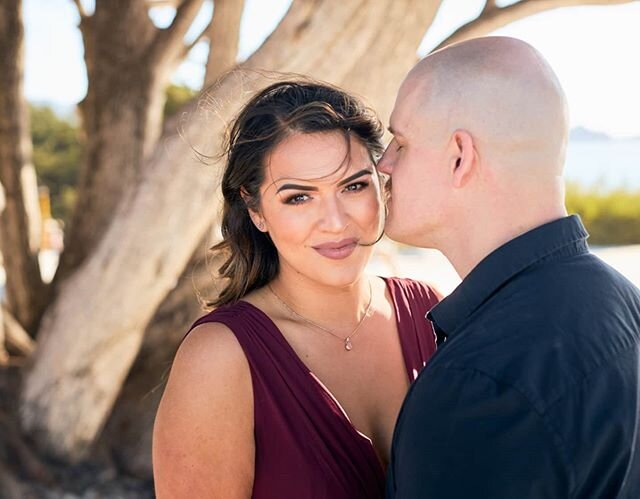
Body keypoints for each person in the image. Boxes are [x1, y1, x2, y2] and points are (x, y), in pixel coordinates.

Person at [379, 36, 640, 498]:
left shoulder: (479, 385)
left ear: (460, 157)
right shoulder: (624, 301)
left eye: (400, 142)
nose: (383, 164)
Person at [152, 80, 440, 498]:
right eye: (299, 198)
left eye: (353, 186)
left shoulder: (430, 312)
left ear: (382, 183)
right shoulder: (220, 358)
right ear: (256, 211)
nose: (336, 221)